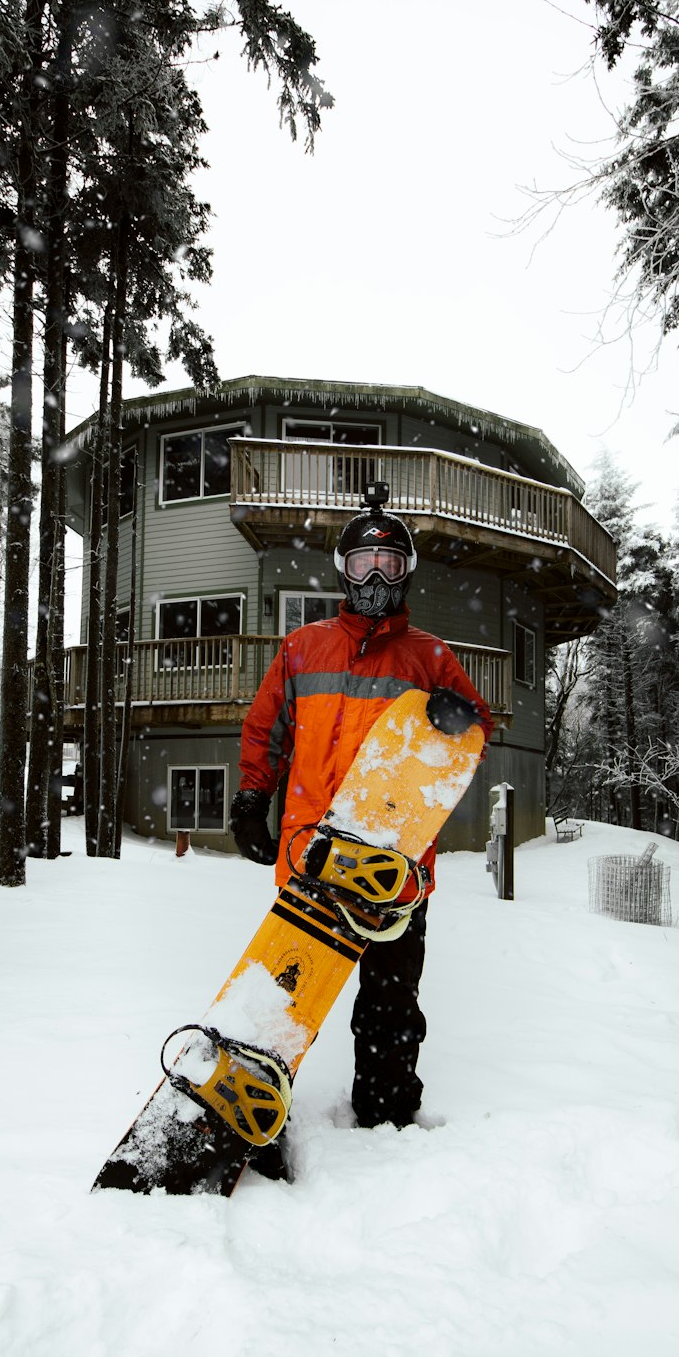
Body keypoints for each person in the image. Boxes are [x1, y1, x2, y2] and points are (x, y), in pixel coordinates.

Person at [230, 484, 493, 1139]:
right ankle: (248, 1097)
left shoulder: (429, 658)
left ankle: (387, 1109)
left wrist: (460, 720)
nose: (376, 579)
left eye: (390, 566)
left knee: (390, 1000)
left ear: (407, 574)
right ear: (342, 571)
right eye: (362, 565)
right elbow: (267, 732)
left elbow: (478, 731)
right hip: (312, 855)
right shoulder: (301, 649)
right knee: (287, 992)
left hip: (393, 867)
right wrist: (251, 797)